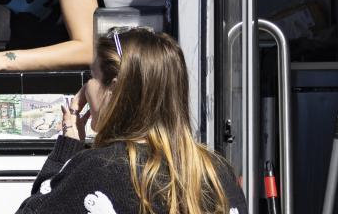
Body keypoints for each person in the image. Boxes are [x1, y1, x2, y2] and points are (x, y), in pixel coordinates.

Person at [16, 27, 247, 214]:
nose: (86, 88)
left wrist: (67, 147)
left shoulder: (98, 168)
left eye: (92, 76)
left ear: (114, 90)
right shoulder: (216, 172)